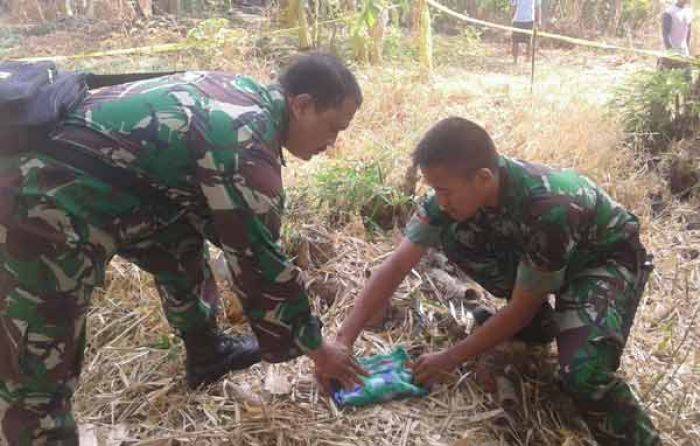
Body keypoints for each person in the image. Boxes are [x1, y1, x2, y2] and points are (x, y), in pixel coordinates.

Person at [0, 52, 367, 444]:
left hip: (113, 181)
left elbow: (219, 223)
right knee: (40, 359)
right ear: (302, 105)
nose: (332, 144)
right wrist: (318, 347)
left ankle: (207, 352)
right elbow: (261, 265)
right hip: (38, 197)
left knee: (178, 236)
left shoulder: (242, 92)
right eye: (332, 129)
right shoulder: (245, 141)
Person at [334, 117, 660, 445]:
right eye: (434, 189)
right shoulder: (453, 198)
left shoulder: (550, 207)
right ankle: (541, 327)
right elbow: (397, 264)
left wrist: (449, 358)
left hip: (601, 261)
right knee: (456, 233)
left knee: (584, 375)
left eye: (444, 190)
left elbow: (520, 308)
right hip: (544, 261)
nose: (439, 200)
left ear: (483, 178)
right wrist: (344, 339)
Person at [659, 0, 694, 69]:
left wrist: (687, 49)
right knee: (665, 78)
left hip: (684, 53)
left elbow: (688, 33)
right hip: (670, 54)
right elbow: (665, 35)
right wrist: (672, 53)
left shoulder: (689, 12)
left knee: (686, 78)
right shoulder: (669, 12)